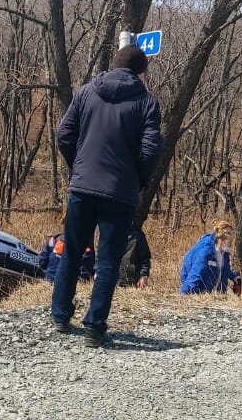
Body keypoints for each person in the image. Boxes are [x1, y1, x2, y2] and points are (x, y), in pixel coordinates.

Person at [50, 44, 162, 348]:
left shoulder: (86, 92)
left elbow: (64, 134)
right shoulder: (146, 102)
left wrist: (79, 165)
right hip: (120, 193)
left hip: (83, 186)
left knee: (72, 251)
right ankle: (94, 327)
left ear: (113, 65)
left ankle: (60, 315)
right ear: (142, 71)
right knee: (109, 261)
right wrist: (137, 179)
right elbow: (152, 149)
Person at [180, 221, 242, 294]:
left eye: (232, 234)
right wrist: (189, 296)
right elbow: (194, 276)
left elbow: (224, 269)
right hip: (200, 294)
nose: (232, 237)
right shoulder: (206, 252)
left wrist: (235, 278)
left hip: (215, 297)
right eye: (229, 233)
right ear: (220, 236)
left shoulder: (225, 253)